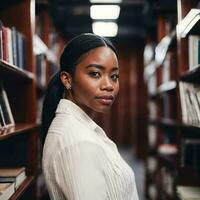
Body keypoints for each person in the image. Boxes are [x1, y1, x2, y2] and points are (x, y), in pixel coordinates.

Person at [42, 33, 139, 200]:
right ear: (67, 79)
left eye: (114, 76)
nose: (108, 85)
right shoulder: (78, 143)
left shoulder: (81, 128)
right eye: (95, 74)